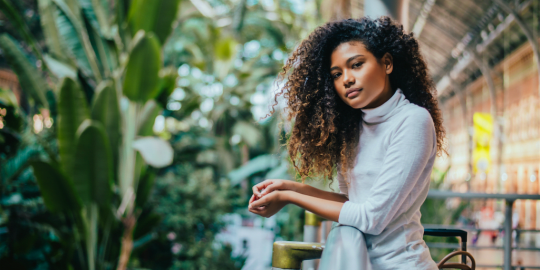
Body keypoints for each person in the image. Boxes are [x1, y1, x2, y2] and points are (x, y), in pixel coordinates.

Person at [248, 16, 445, 269]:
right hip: (359, 260)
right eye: (337, 74)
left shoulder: (413, 121)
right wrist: (289, 187)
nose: (346, 80)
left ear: (386, 63)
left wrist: (289, 197)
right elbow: (353, 204)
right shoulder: (353, 128)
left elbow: (371, 218)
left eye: (357, 65)